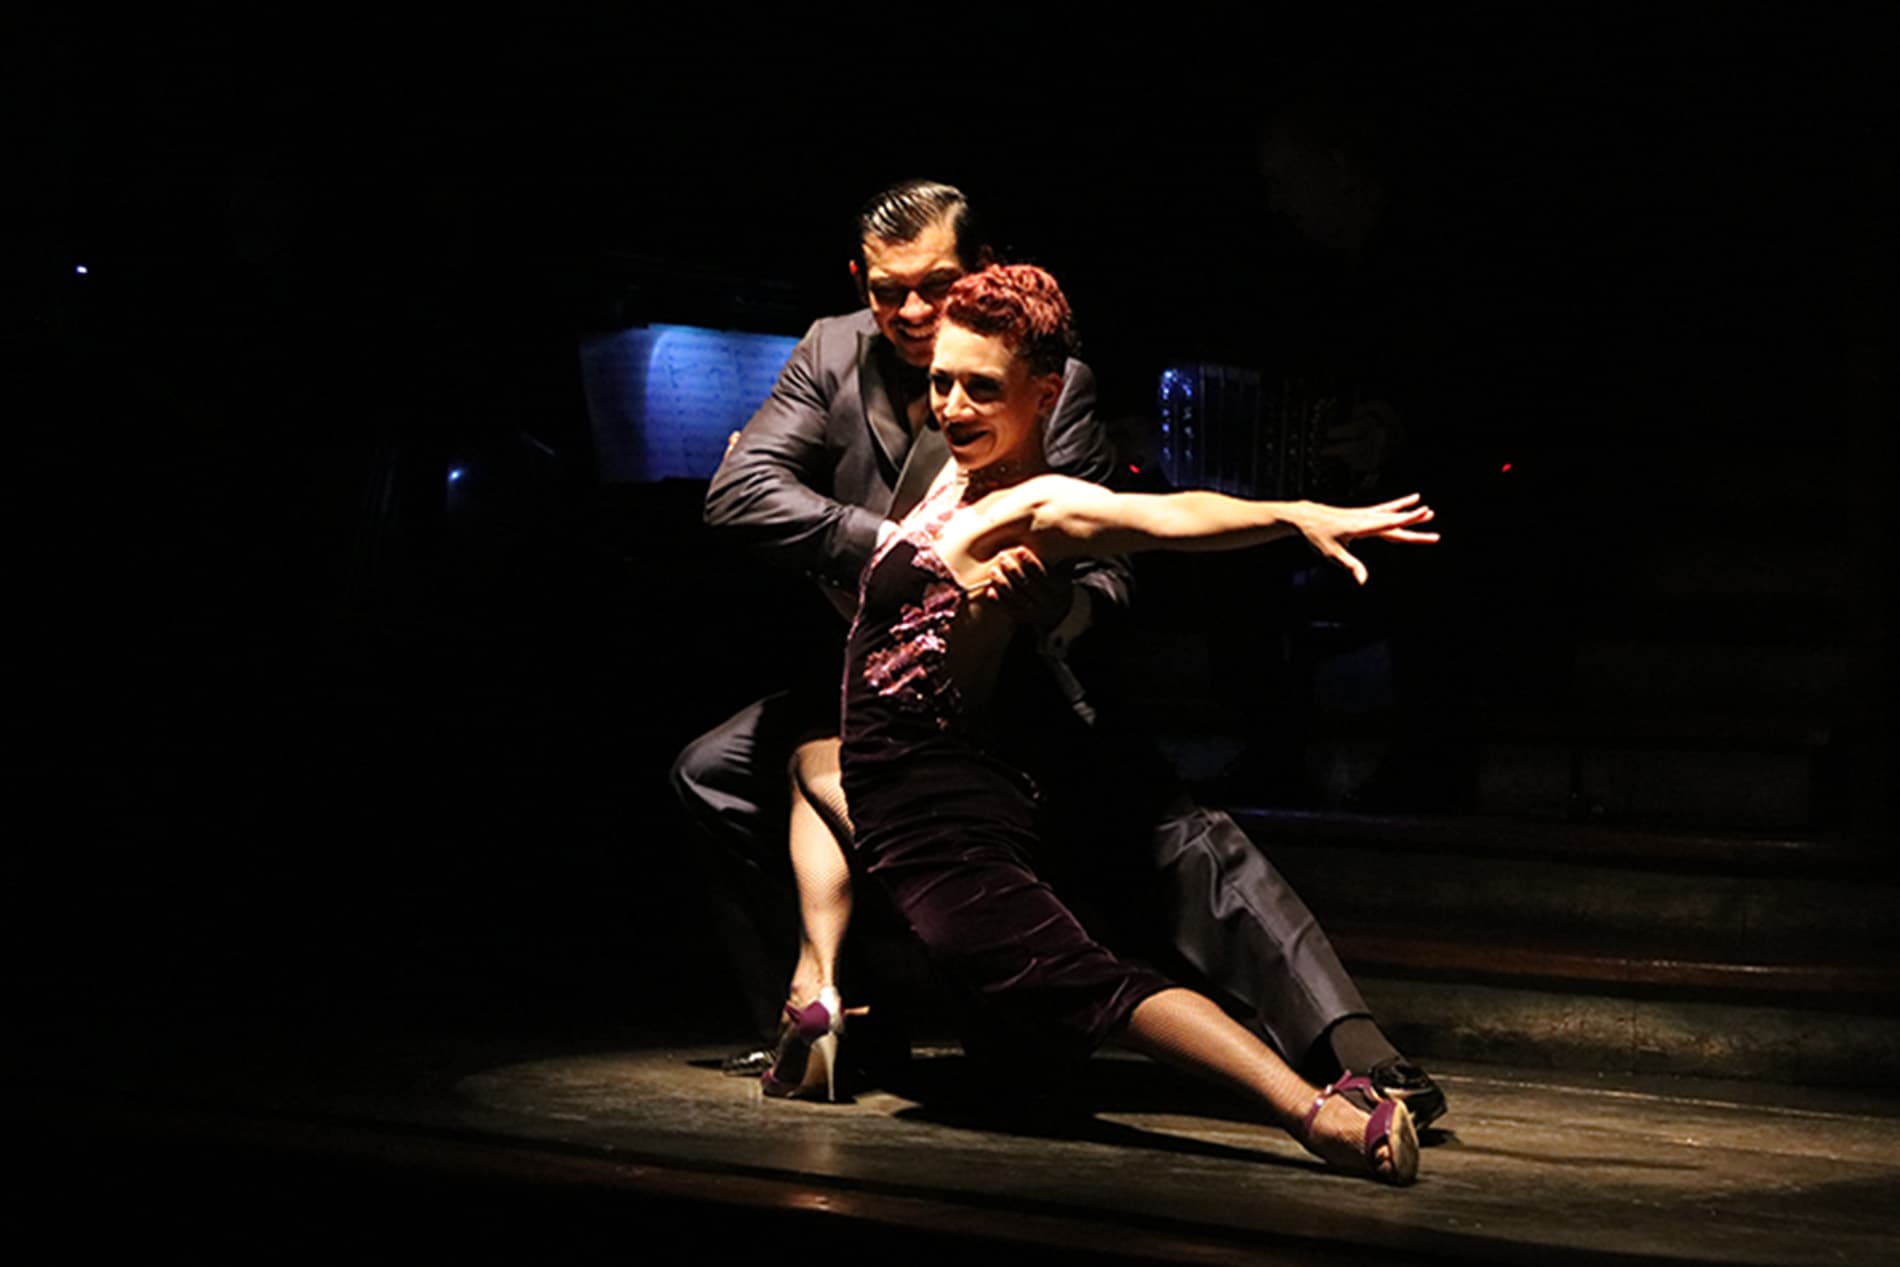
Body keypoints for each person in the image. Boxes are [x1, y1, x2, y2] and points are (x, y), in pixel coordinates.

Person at [673, 179, 1446, 1127]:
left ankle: (1342, 1068)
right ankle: (822, 997)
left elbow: (1137, 529)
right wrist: (897, 556)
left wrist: (1283, 517)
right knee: (746, 767)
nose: (912, 317)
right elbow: (739, 493)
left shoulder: (1036, 421)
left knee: (1158, 848)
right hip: (868, 697)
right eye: (887, 292)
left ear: (981, 276)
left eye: (936, 286)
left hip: (992, 700)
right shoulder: (834, 350)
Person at [834, 263, 1435, 1182]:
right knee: (803, 766)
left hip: (938, 813)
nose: (952, 404)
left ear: (1045, 395)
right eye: (941, 381)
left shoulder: (1033, 503)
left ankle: (1314, 1113)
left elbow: (1163, 516)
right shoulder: (954, 476)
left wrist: (1291, 513)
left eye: (981, 388)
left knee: (1085, 979)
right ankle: (813, 991)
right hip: (889, 784)